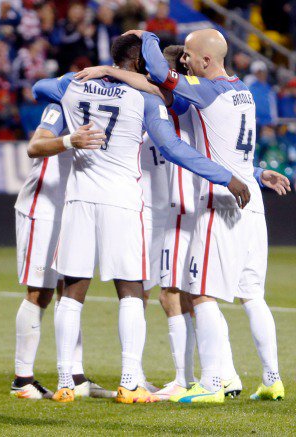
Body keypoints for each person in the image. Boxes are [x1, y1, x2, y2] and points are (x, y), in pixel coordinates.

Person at [32, 34, 249, 404]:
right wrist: (224, 175)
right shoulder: (145, 97)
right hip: (122, 201)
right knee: (131, 291)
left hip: (79, 199)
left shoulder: (72, 83)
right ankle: (130, 381)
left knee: (72, 291)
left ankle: (66, 382)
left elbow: (39, 88)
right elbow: (171, 147)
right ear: (140, 64)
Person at [122, 29, 286, 403]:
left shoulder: (205, 90)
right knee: (253, 296)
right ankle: (272, 379)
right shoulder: (242, 89)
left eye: (193, 58)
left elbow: (159, 73)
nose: (188, 65)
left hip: (222, 198)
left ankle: (214, 382)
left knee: (201, 293)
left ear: (206, 61)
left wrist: (145, 34)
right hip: (252, 197)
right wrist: (259, 172)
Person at [11, 100, 116, 400]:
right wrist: (71, 139)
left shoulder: (106, 108)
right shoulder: (61, 106)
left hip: (72, 208)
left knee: (69, 292)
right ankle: (22, 379)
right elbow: (35, 145)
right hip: (42, 207)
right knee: (39, 292)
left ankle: (75, 375)